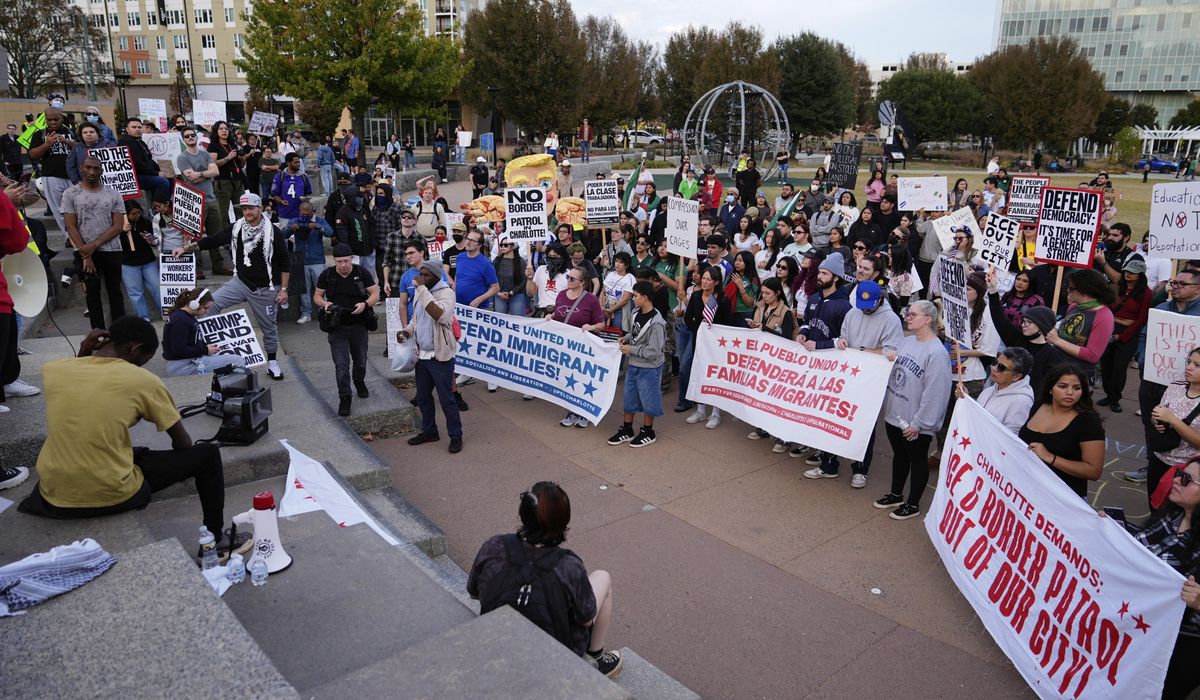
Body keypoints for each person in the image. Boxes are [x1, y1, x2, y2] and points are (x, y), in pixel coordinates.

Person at [18, 318, 247, 560]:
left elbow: (81, 378)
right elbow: (183, 444)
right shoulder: (142, 381)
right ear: (135, 349)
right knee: (208, 455)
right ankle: (215, 539)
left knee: (131, 449)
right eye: (144, 360)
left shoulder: (55, 370)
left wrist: (85, 350)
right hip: (112, 493)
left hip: (53, 493)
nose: (142, 367)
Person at [467, 481, 624, 678]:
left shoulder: (493, 546)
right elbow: (586, 617)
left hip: (498, 637)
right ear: (563, 524)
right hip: (554, 656)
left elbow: (474, 592)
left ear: (523, 514)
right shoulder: (568, 565)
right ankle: (597, 657)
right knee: (603, 577)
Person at [173, 192, 289, 380]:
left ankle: (273, 362)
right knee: (210, 305)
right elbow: (214, 239)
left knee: (269, 328)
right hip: (240, 282)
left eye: (251, 208)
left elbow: (285, 262)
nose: (247, 212)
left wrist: (283, 289)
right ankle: (206, 350)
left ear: (260, 208)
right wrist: (186, 248)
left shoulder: (274, 232)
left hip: (266, 288)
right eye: (244, 209)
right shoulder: (237, 227)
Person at [874, 300, 953, 520]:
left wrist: (921, 423)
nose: (907, 317)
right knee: (899, 456)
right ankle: (896, 493)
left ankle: (913, 503)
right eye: (907, 314)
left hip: (915, 421)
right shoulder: (907, 341)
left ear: (928, 319)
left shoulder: (937, 353)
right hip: (895, 413)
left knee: (917, 460)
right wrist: (889, 356)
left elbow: (936, 393)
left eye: (912, 315)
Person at [398, 259, 462, 452]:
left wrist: (422, 290)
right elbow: (416, 318)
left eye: (426, 275)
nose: (422, 278)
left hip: (440, 357)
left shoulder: (446, 293)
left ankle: (456, 435)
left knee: (446, 399)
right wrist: (407, 331)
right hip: (422, 357)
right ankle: (430, 431)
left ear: (436, 276)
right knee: (423, 398)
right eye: (422, 275)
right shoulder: (421, 292)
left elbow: (439, 315)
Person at [1020, 364, 1106, 499]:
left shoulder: (1088, 421)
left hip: (1062, 499)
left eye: (1076, 388)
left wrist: (1051, 458)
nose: (1070, 392)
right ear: (1050, 388)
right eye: (1062, 386)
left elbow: (1094, 471)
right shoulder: (1038, 406)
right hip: (1026, 490)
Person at [314, 244, 379, 416]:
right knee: (341, 365)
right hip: (337, 327)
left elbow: (375, 293)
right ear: (334, 261)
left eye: (346, 261)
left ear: (351, 259)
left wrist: (365, 304)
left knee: (361, 362)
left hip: (359, 325)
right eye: (339, 261)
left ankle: (359, 382)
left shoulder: (361, 273)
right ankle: (345, 397)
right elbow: (317, 296)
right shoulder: (327, 274)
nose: (343, 265)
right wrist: (325, 304)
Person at [62, 156, 126, 329]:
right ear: (82, 168)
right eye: (88, 167)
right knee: (92, 293)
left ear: (101, 171)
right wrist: (86, 253)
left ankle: (119, 332)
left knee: (115, 291)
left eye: (96, 168)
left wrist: (95, 244)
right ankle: (98, 333)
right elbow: (70, 225)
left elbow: (118, 225)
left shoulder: (113, 194)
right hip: (84, 252)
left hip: (112, 250)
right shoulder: (71, 193)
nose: (92, 172)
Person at [607, 281, 666, 448]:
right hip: (634, 364)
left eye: (636, 296)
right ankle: (627, 429)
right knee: (629, 398)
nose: (633, 299)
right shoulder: (635, 313)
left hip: (650, 368)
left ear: (645, 298)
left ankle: (648, 431)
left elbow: (653, 352)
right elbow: (635, 333)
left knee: (649, 400)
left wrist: (630, 349)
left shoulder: (657, 323)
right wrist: (625, 339)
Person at [175, 126, 231, 276]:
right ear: (183, 139)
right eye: (187, 136)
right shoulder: (182, 157)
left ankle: (218, 265)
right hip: (194, 201)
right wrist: (207, 174)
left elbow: (216, 171)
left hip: (211, 199)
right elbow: (190, 178)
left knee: (215, 235)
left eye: (192, 135)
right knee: (194, 235)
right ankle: (197, 268)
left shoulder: (205, 154)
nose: (190, 138)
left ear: (197, 137)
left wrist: (200, 173)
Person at [1099, 258, 1152, 412]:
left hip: (1129, 333)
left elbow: (1141, 319)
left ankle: (1115, 398)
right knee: (1106, 365)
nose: (1128, 274)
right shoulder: (1116, 288)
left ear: (1140, 275)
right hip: (1110, 327)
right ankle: (1108, 395)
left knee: (1119, 367)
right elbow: (1106, 307)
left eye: (1133, 272)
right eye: (1127, 271)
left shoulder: (1146, 293)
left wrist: (1122, 336)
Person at [683, 266, 732, 428]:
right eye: (703, 278)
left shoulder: (723, 300)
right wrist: (698, 331)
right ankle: (700, 410)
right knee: (698, 372)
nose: (704, 281)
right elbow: (688, 318)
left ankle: (715, 413)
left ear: (716, 282)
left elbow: (727, 324)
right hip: (699, 341)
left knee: (715, 376)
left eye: (708, 279)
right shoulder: (696, 296)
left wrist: (713, 334)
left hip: (717, 345)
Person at [161, 287, 247, 376]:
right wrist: (205, 350)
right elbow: (179, 350)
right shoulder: (180, 320)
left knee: (225, 361)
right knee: (237, 360)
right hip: (183, 365)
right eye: (205, 308)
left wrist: (206, 347)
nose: (207, 311)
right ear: (195, 304)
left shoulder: (184, 316)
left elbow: (188, 343)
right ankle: (240, 388)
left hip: (186, 361)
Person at [1045, 268, 1116, 375]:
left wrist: (1057, 341)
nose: (1068, 290)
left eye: (1071, 288)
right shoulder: (1074, 307)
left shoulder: (1104, 317)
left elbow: (1092, 355)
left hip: (1077, 374)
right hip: (1056, 366)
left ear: (1086, 292)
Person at [27, 107, 76, 234]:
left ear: (61, 118)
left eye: (56, 119)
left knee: (78, 207)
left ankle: (80, 233)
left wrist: (66, 141)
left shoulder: (71, 131)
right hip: (51, 176)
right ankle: (70, 237)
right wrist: (47, 144)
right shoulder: (40, 134)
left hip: (73, 176)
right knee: (59, 209)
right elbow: (33, 154)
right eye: (49, 120)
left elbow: (82, 147)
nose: (53, 122)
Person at [286, 200, 334, 324]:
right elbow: (282, 235)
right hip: (300, 261)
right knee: (304, 289)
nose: (305, 216)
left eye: (307, 214)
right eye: (303, 214)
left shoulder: (319, 220)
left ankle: (323, 310)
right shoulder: (295, 221)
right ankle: (306, 312)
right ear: (299, 212)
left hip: (317, 259)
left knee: (321, 287)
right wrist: (290, 229)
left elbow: (330, 232)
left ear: (313, 212)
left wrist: (318, 227)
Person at [971, 346, 1035, 433]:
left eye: (1001, 367)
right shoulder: (992, 388)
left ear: (1016, 376)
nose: (994, 368)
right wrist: (965, 397)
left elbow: (1009, 437)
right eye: (995, 362)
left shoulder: (1021, 401)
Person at [119, 200, 160, 321]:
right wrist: (123, 232)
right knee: (135, 293)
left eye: (138, 212)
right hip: (129, 264)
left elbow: (154, 240)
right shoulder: (119, 225)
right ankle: (143, 317)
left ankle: (165, 311)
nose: (137, 215)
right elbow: (117, 245)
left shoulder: (145, 221)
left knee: (157, 287)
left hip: (148, 261)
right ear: (126, 215)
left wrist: (151, 240)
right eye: (134, 214)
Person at [206, 120, 245, 227]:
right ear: (216, 131)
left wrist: (241, 157)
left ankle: (241, 235)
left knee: (241, 210)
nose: (224, 131)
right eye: (221, 129)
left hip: (238, 181)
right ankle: (223, 239)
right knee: (222, 213)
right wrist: (228, 157)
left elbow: (242, 165)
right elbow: (212, 164)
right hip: (223, 182)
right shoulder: (213, 146)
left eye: (226, 129)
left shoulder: (233, 145)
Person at [271, 153, 313, 229]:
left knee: (300, 236)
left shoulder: (303, 176)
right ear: (288, 163)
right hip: (284, 213)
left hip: (300, 213)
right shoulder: (280, 176)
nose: (298, 164)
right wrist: (281, 201)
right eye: (295, 162)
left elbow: (308, 193)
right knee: (284, 236)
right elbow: (274, 194)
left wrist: (305, 200)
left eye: (299, 162)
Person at [724, 251, 760, 327]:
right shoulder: (731, 275)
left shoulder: (753, 279)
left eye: (740, 261)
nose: (737, 263)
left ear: (748, 262)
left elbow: (749, 303)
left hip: (744, 314)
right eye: (736, 260)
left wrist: (740, 287)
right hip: (729, 312)